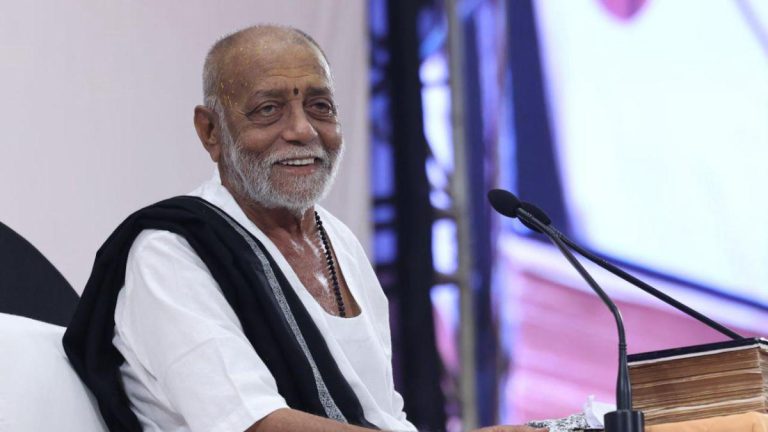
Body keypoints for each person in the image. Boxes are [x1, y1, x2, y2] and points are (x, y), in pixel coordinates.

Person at [64, 25, 546, 432]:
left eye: (320, 106)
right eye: (267, 109)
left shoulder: (338, 242)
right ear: (211, 131)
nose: (302, 130)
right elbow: (255, 424)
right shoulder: (171, 254)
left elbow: (384, 417)